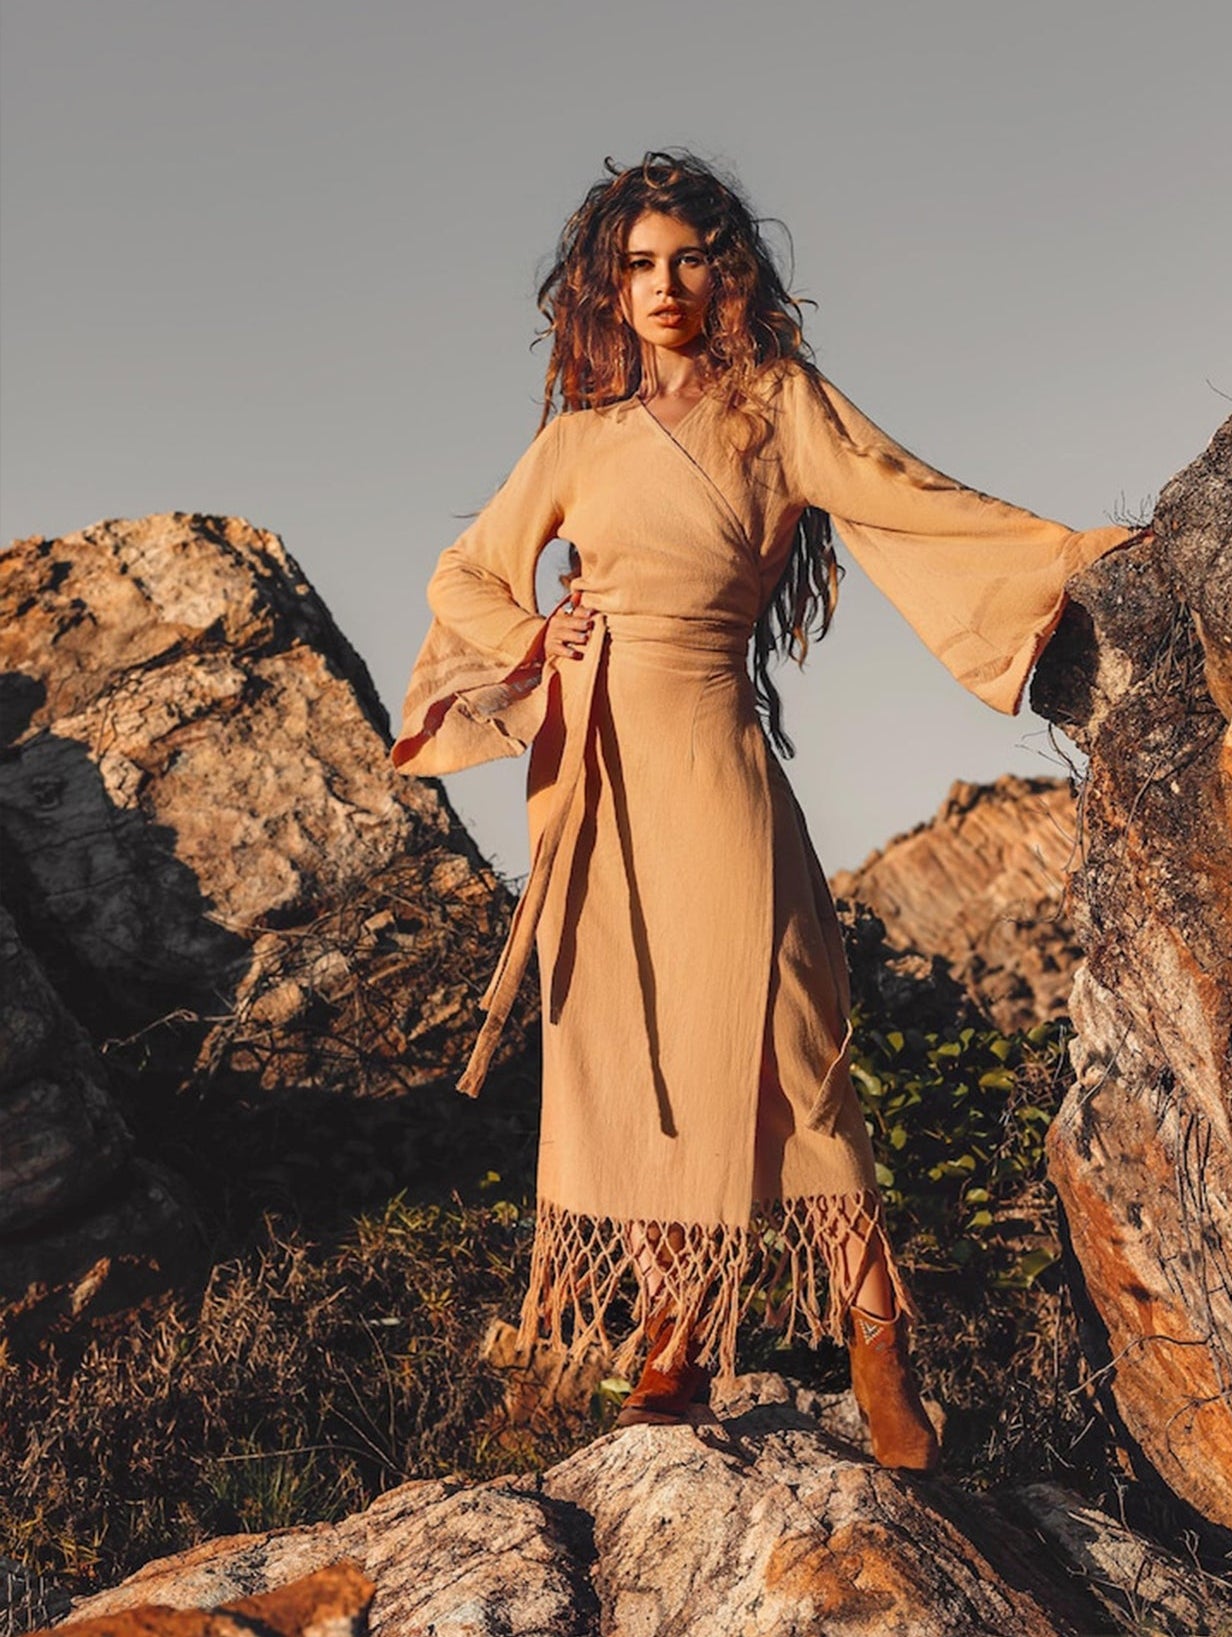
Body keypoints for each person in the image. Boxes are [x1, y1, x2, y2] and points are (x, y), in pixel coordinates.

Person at [393, 151, 1144, 1472]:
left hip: (713, 756)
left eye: (687, 256)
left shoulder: (773, 408)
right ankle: (669, 1337)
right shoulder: (573, 440)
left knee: (791, 1049)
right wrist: (537, 632)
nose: (663, 285)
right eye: (636, 264)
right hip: (596, 773)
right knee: (618, 1056)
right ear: (603, 289)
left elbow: (903, 491)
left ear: (724, 269)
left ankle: (877, 1350)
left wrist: (1069, 555)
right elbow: (465, 576)